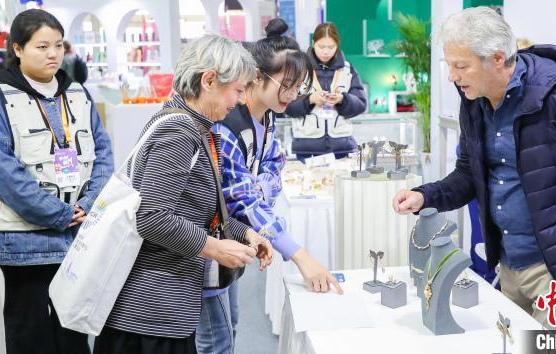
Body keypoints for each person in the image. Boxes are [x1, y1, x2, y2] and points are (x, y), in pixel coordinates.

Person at [392, 6, 556, 323]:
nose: (452, 76)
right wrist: (425, 196)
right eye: (449, 65)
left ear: (497, 59)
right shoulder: (474, 102)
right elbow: (470, 173)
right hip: (510, 267)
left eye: (461, 66)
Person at [94, 35, 273, 354]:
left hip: (165, 309)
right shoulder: (179, 132)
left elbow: (199, 212)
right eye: (237, 90)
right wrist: (216, 249)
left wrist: (245, 233)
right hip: (150, 314)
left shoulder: (196, 128)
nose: (241, 100)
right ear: (209, 80)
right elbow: (152, 218)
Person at [0, 9, 114, 354]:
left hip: (77, 240)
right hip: (26, 246)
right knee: (30, 337)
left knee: (74, 335)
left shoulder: (76, 93)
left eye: (58, 45)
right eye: (42, 46)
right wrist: (58, 213)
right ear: (18, 49)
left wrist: (88, 204)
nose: (53, 54)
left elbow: (103, 153)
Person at [195, 19, 343, 354]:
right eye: (286, 86)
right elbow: (244, 199)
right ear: (257, 77)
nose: (292, 95)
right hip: (206, 238)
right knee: (216, 340)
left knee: (229, 326)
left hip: (232, 236)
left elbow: (275, 165)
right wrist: (299, 256)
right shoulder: (228, 125)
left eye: (298, 87)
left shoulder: (268, 115)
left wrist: (260, 187)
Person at [285, 22, 367, 161]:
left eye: (331, 47)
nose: (326, 51)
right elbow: (285, 106)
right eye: (321, 47)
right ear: (313, 43)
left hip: (342, 147)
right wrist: (310, 100)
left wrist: (342, 99)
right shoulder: (299, 69)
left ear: (337, 45)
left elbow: (361, 104)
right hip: (306, 148)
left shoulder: (347, 70)